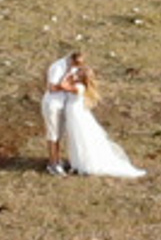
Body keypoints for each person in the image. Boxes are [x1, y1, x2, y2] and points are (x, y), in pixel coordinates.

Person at [39, 49, 146, 179]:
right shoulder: (60, 69)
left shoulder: (78, 86)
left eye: (80, 69)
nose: (77, 69)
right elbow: (53, 87)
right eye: (78, 66)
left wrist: (69, 76)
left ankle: (67, 161)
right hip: (57, 107)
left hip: (73, 112)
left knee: (72, 136)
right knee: (55, 134)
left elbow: (65, 85)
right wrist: (70, 76)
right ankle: (54, 163)